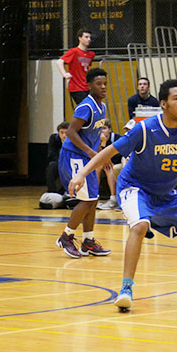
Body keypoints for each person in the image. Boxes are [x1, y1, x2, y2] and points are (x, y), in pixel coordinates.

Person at [67, 79, 177, 311]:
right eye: (176, 99)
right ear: (163, 104)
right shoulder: (146, 128)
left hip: (165, 193)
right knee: (139, 225)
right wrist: (82, 174)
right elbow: (109, 151)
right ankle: (126, 289)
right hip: (134, 188)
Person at [55, 67, 111, 259]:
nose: (103, 87)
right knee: (86, 200)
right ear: (89, 85)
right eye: (99, 84)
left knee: (93, 199)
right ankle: (66, 236)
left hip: (87, 157)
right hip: (74, 156)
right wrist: (91, 153)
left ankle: (88, 241)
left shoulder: (101, 107)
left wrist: (101, 155)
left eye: (105, 83)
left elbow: (93, 137)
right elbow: (70, 132)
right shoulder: (85, 107)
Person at [56, 29, 95, 106]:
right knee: (85, 107)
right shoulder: (74, 51)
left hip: (86, 86)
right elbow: (59, 62)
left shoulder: (91, 54)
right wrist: (64, 74)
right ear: (80, 38)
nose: (89, 39)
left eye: (90, 37)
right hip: (76, 86)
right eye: (86, 37)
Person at [97, 119, 122, 210]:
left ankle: (113, 198)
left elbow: (121, 154)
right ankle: (94, 196)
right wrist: (102, 143)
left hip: (116, 162)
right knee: (97, 167)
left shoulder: (117, 138)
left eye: (104, 128)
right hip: (102, 163)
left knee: (110, 167)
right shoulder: (96, 139)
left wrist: (108, 159)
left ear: (110, 129)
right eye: (100, 129)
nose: (102, 131)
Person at [46, 121, 69, 194]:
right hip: (59, 161)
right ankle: (52, 191)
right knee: (51, 166)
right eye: (62, 132)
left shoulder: (74, 139)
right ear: (58, 132)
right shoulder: (54, 138)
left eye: (66, 133)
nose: (64, 135)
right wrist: (61, 162)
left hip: (71, 161)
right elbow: (51, 153)